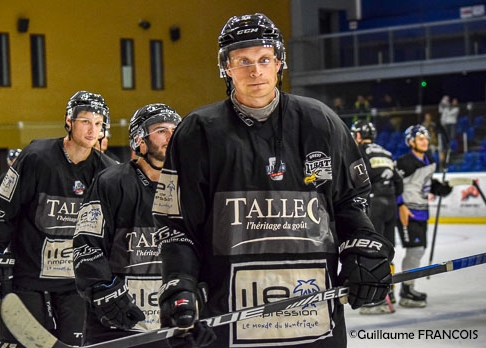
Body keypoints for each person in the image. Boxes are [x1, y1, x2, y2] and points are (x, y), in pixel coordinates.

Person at [152, 13, 394, 348]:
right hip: (229, 323)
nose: (255, 71)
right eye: (243, 61)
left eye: (264, 59)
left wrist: (362, 247)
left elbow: (349, 203)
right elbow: (177, 224)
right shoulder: (197, 132)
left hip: (314, 318)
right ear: (225, 67)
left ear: (279, 63)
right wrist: (179, 282)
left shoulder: (321, 122)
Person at [0, 90, 118, 347]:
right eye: (86, 121)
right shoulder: (36, 156)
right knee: (25, 343)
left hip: (75, 282)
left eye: (98, 123)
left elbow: (113, 230)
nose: (92, 130)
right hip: (28, 276)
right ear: (69, 121)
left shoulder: (109, 171)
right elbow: (4, 209)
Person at [73, 103, 182, 347]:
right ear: (139, 141)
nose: (172, 136)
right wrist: (104, 290)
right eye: (162, 130)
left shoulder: (193, 185)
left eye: (176, 129)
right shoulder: (111, 182)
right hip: (117, 323)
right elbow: (86, 244)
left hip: (171, 322)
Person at [395, 125, 452, 308]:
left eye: (426, 138)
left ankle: (408, 287)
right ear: (411, 142)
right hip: (408, 211)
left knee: (419, 250)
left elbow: (424, 183)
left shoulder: (429, 160)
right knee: (415, 249)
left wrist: (439, 188)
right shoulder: (404, 162)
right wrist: (400, 206)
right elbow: (394, 184)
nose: (425, 142)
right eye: (420, 139)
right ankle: (406, 289)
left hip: (422, 212)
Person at [351, 120, 403, 314]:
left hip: (375, 204)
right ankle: (392, 290)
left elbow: (358, 179)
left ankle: (377, 296)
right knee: (389, 248)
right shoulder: (386, 152)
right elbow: (398, 182)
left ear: (357, 136)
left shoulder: (359, 151)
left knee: (374, 249)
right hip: (391, 203)